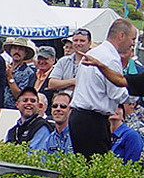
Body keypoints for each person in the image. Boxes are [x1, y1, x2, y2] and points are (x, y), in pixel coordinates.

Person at [70, 18, 136, 156]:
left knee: (83, 165)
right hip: (93, 120)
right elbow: (117, 93)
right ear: (121, 36)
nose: (133, 44)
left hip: (80, 117)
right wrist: (137, 91)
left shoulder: (94, 52)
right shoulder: (110, 58)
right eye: (132, 39)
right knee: (95, 169)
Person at [5, 87, 52, 151]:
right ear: (17, 104)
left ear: (38, 106)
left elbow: (36, 156)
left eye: (33, 101)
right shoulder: (12, 131)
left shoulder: (42, 127)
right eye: (25, 100)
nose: (29, 103)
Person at [47, 28, 91, 93]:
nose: (78, 43)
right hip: (63, 101)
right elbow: (51, 84)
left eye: (82, 41)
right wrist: (73, 81)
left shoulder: (95, 61)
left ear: (89, 43)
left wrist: (63, 84)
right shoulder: (63, 61)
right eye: (75, 40)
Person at [3, 38, 36, 109]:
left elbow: (19, 95)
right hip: (1, 107)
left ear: (25, 53)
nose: (17, 51)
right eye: (14, 48)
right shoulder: (6, 68)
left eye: (21, 49)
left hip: (16, 109)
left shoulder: (28, 72)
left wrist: (10, 77)